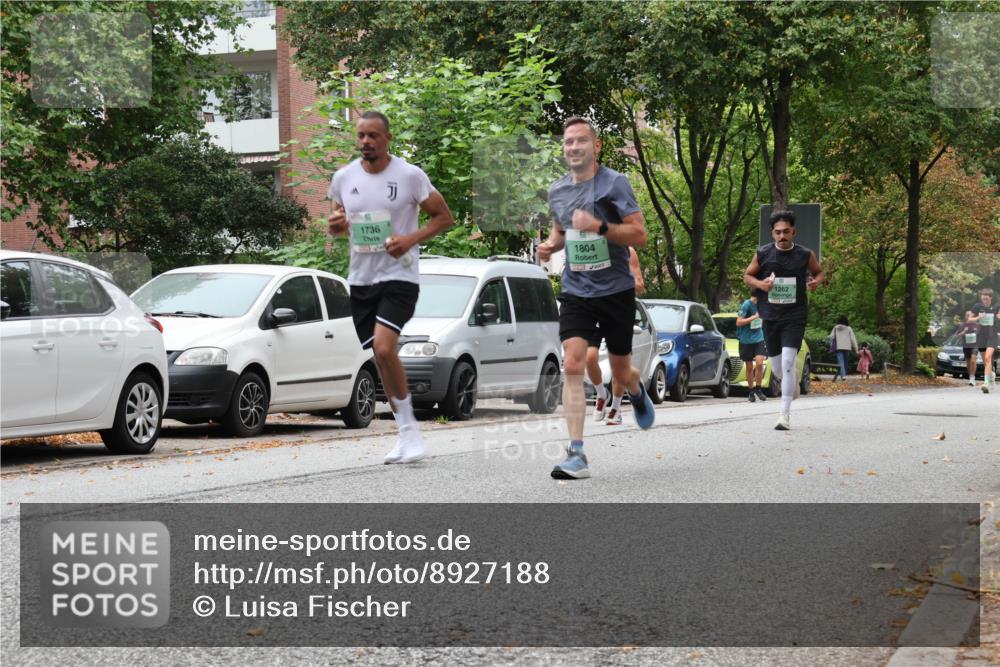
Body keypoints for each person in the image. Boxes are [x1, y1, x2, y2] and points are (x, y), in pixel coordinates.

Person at [327, 111, 454, 463]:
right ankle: (405, 433)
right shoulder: (343, 178)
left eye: (373, 136)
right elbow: (338, 226)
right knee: (381, 358)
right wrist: (335, 224)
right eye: (361, 135)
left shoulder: (410, 176)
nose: (366, 141)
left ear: (387, 138)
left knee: (384, 349)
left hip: (400, 275)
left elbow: (444, 217)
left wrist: (410, 239)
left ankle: (412, 433)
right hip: (361, 279)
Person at [537, 117, 654, 479]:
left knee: (620, 369)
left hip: (616, 290)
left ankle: (634, 388)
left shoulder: (614, 183)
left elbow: (639, 235)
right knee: (572, 364)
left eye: (581, 141)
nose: (573, 147)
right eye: (568, 142)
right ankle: (576, 453)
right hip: (576, 289)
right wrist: (550, 246)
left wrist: (600, 226)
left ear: (596, 146)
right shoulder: (557, 191)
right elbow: (561, 231)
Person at [743, 210, 825, 431]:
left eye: (786, 232)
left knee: (788, 362)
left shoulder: (805, 254)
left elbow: (819, 273)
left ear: (793, 232)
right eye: (778, 232)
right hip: (770, 315)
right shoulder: (763, 254)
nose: (782, 236)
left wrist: (815, 282)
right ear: (772, 233)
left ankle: (784, 415)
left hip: (795, 315)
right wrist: (761, 285)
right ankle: (793, 382)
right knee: (779, 369)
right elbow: (748, 276)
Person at [588, 247, 645, 425]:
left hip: (620, 311)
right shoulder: (591, 248)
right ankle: (601, 394)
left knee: (619, 365)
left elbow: (640, 285)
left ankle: (616, 408)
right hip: (596, 308)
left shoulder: (628, 252)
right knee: (589, 357)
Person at [735, 293, 768, 402]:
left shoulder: (762, 304)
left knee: (759, 364)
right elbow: (738, 322)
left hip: (759, 338)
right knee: (749, 367)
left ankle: (758, 389)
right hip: (746, 340)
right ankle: (751, 391)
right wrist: (753, 317)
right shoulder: (746, 305)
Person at [971, 288, 999, 393]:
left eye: (986, 299)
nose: (985, 301)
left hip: (992, 336)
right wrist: (978, 317)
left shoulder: (996, 307)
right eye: (983, 299)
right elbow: (970, 319)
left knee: (988, 357)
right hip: (981, 336)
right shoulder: (977, 306)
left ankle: (986, 383)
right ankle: (991, 374)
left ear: (990, 298)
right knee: (985, 361)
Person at [829, 315, 859, 381]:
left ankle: (843, 375)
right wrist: (856, 349)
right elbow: (853, 339)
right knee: (845, 362)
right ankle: (844, 375)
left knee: (841, 362)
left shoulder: (835, 328)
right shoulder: (849, 328)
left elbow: (831, 336)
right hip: (847, 347)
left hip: (838, 347)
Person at [956, 310, 980, 387]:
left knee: (973, 361)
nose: (969, 317)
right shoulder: (962, 325)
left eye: (970, 315)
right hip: (966, 346)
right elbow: (957, 335)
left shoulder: (977, 325)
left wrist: (977, 333)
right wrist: (963, 332)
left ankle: (973, 378)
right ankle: (970, 377)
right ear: (966, 317)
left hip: (975, 345)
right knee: (968, 363)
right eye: (967, 315)